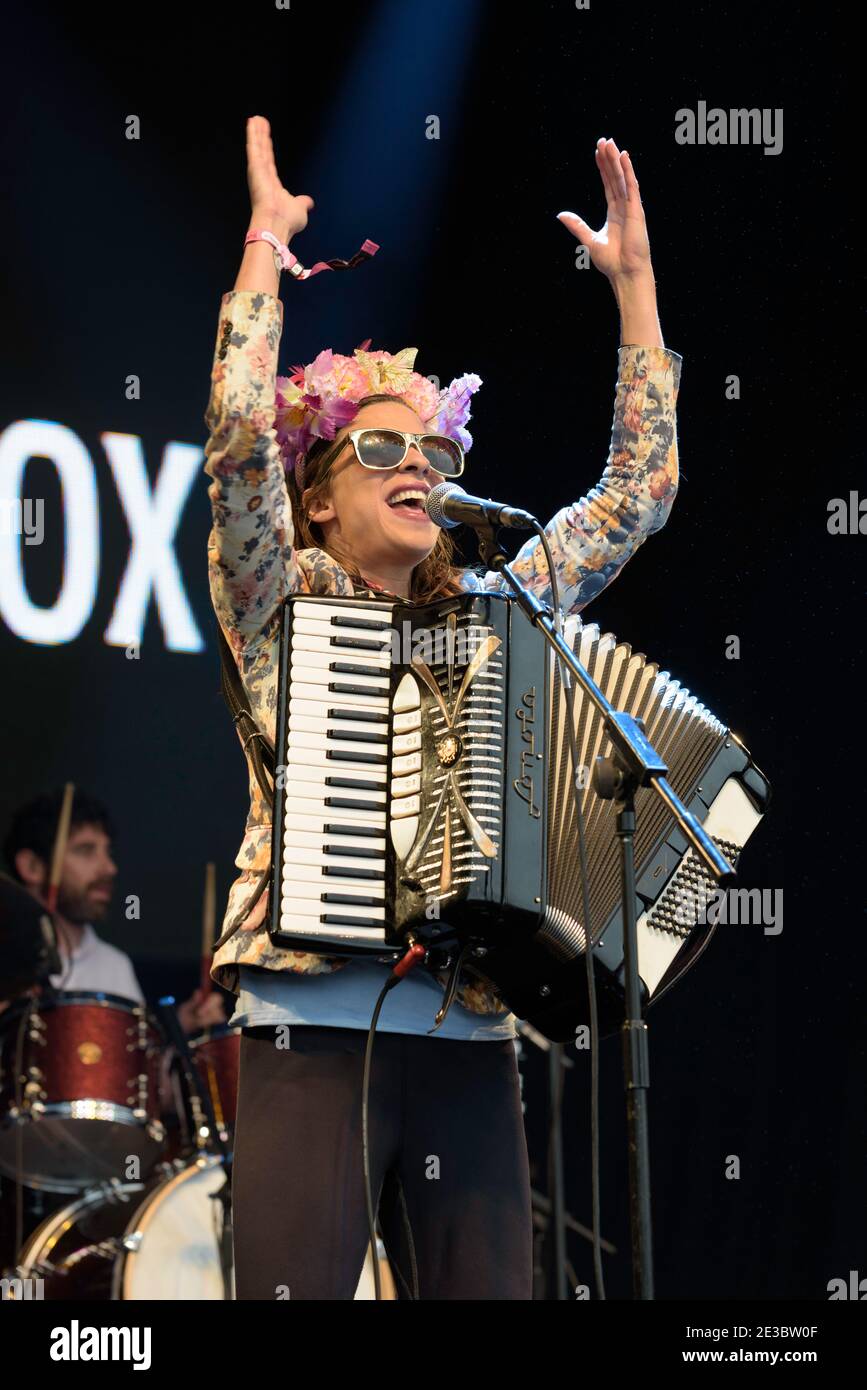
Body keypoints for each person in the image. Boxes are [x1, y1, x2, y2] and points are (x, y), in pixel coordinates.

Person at [204, 115, 682, 1300]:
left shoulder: (497, 588)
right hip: (309, 1016)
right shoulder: (279, 589)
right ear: (314, 499)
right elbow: (234, 432)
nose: (418, 467)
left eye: (433, 451)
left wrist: (636, 291)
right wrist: (266, 245)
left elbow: (641, 493)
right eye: (378, 449)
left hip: (471, 1035)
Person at [2, 789, 225, 1032]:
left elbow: (131, 1066)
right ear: (32, 866)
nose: (109, 868)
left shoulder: (115, 966)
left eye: (108, 852)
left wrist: (177, 1029)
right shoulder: (6, 958)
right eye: (86, 850)